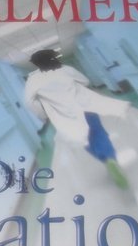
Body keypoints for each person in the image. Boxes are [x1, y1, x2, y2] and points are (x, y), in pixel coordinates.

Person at [25, 49, 130, 189]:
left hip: (63, 115)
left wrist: (43, 115)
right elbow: (85, 81)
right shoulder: (66, 69)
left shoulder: (33, 80)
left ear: (36, 64)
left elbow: (30, 102)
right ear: (53, 57)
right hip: (85, 108)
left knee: (83, 138)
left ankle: (105, 160)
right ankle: (111, 158)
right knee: (98, 132)